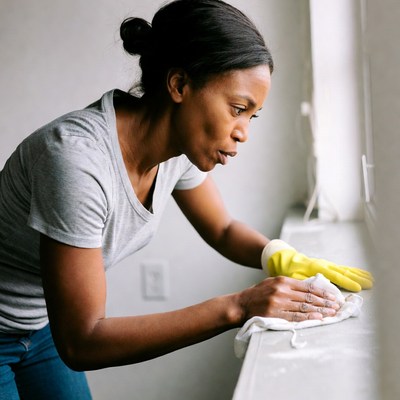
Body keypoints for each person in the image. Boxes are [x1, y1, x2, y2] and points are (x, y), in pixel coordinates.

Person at [0, 0, 373, 398]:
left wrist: (281, 256)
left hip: (39, 327)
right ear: (179, 85)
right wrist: (239, 307)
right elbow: (83, 340)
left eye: (252, 116)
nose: (243, 131)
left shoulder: (178, 148)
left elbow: (222, 228)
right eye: (237, 109)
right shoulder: (76, 161)